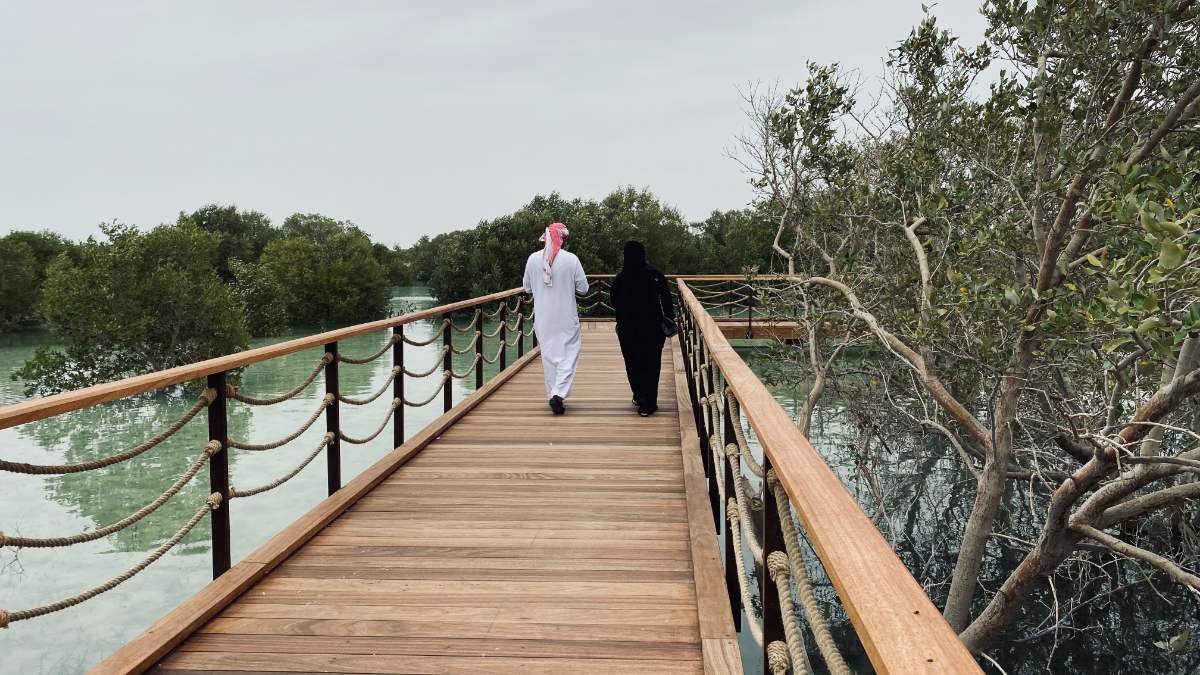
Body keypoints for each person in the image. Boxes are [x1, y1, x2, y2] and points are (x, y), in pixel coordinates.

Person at [522, 222, 589, 415]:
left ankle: (553, 393)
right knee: (568, 355)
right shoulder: (571, 259)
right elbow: (583, 289)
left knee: (549, 357)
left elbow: (527, 288)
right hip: (565, 316)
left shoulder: (533, 259)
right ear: (563, 239)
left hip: (543, 317)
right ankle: (558, 394)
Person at [611, 240, 674, 416]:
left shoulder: (621, 278)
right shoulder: (655, 275)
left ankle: (639, 394)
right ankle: (649, 403)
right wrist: (668, 320)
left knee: (632, 362)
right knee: (652, 363)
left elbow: (614, 301)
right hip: (653, 328)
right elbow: (667, 300)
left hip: (627, 328)